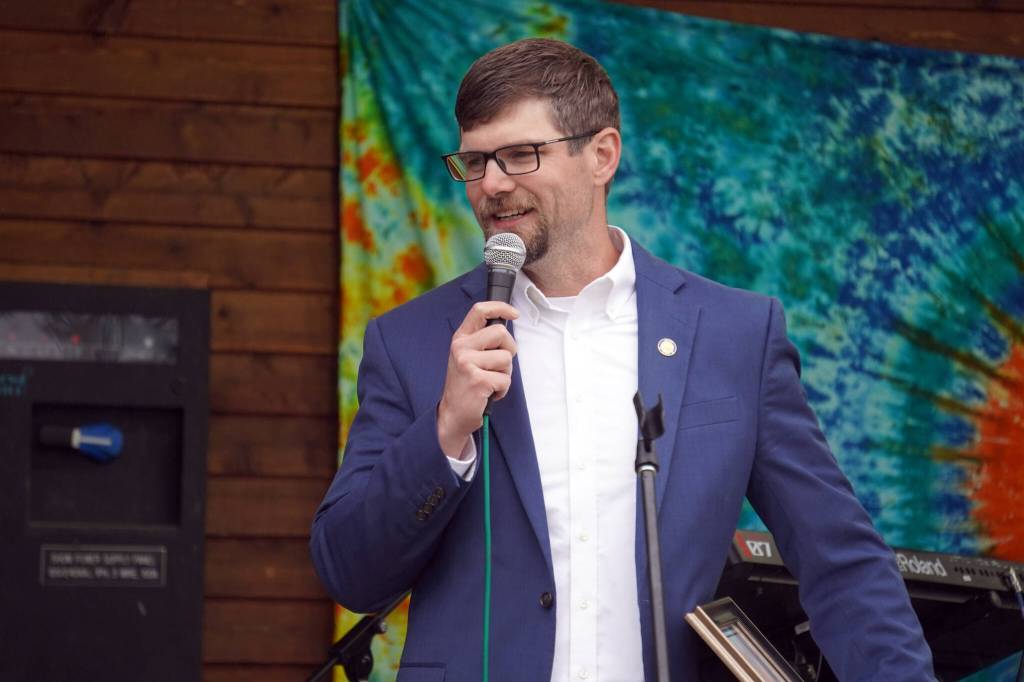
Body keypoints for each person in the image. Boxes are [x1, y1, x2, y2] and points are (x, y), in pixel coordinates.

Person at [311, 38, 934, 681]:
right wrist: (445, 430)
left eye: (520, 155)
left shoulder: (734, 335)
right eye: (475, 161)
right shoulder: (412, 341)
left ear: (602, 155)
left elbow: (840, 559)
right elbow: (349, 573)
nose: (492, 183)